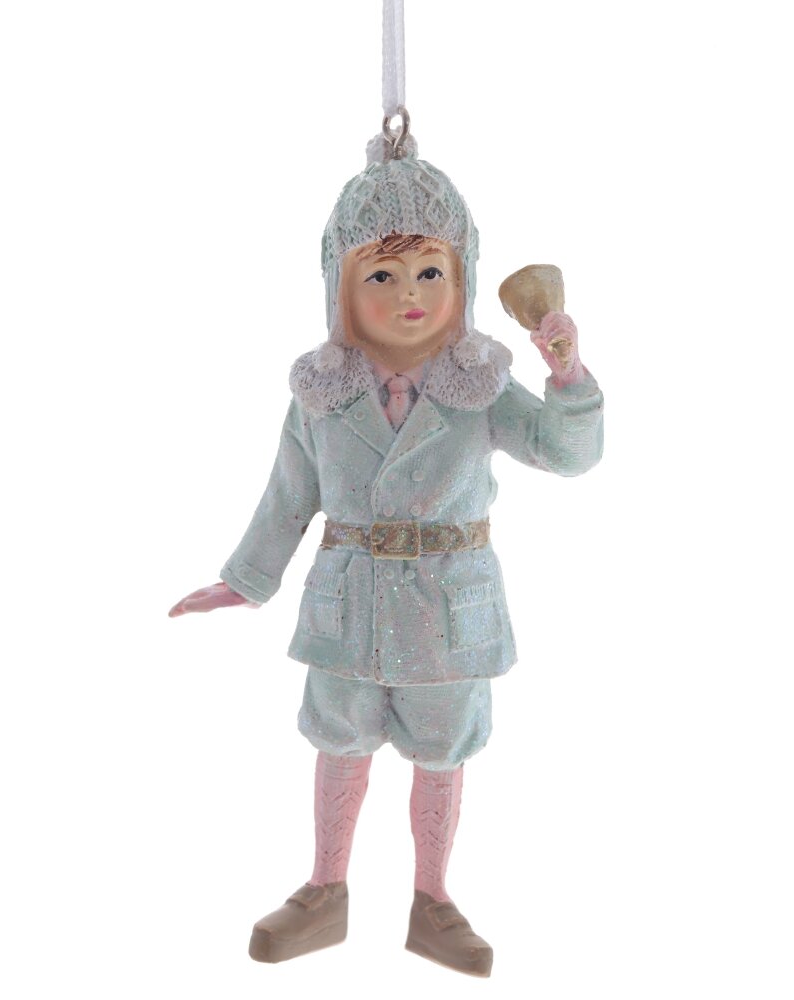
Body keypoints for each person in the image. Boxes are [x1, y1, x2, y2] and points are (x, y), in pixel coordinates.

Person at [169, 133, 604, 977]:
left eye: (430, 271)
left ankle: (433, 900)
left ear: (463, 281)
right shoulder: (320, 396)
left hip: (451, 607)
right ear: (340, 286)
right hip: (349, 600)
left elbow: (565, 454)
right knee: (339, 741)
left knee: (443, 749)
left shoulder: (481, 385)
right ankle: (323, 891)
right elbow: (287, 496)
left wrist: (569, 378)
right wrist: (244, 580)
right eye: (381, 275)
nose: (409, 293)